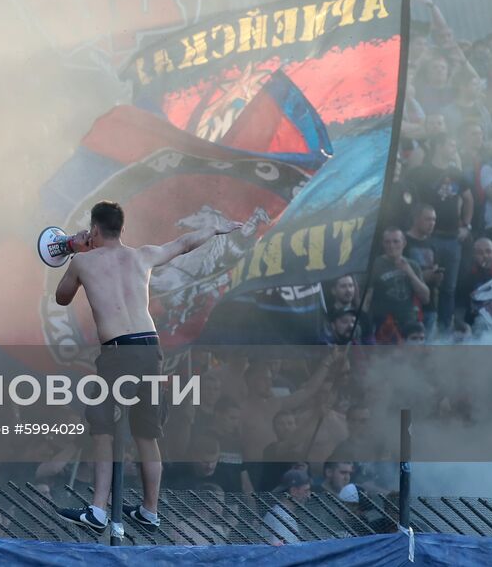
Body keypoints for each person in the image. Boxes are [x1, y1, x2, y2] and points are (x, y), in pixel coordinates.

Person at [53, 200, 243, 533]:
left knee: (101, 426)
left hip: (118, 351)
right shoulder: (142, 255)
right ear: (121, 230)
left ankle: (98, 509)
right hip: (151, 349)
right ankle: (150, 511)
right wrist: (213, 228)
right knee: (146, 432)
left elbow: (62, 297)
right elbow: (183, 244)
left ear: (94, 229)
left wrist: (75, 250)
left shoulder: (83, 262)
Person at [405, 136, 473, 331]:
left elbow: (468, 199)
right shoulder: (421, 172)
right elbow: (408, 193)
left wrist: (466, 226)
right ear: (439, 145)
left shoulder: (456, 173)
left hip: (453, 238)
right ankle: (420, 331)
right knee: (424, 283)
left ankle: (444, 333)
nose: (454, 147)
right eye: (451, 143)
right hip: (428, 238)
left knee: (449, 288)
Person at [367, 228, 431, 343]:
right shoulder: (375, 265)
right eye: (387, 242)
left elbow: (425, 298)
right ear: (383, 244)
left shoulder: (412, 265)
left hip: (409, 323)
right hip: (384, 324)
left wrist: (410, 273)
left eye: (396, 241)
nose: (391, 246)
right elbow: (367, 297)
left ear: (404, 243)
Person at [262, 469, 312, 545]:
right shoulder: (282, 518)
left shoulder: (282, 514)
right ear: (294, 491)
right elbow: (286, 553)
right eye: (306, 490)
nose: (309, 496)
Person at [460, 237, 492, 325]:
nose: (485, 256)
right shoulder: (468, 276)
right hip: (476, 324)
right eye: (480, 253)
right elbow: (461, 306)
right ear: (474, 255)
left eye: (488, 251)